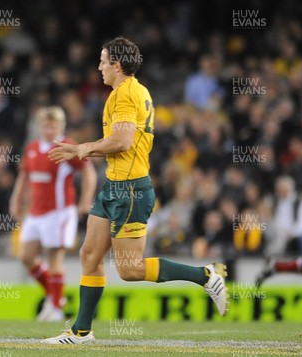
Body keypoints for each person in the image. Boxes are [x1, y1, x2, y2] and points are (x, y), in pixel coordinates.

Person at [43, 37, 228, 344]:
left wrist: (83, 148)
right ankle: (81, 331)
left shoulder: (126, 94)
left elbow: (124, 141)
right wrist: (85, 149)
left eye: (103, 61)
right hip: (114, 185)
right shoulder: (128, 92)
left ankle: (206, 276)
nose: (99, 66)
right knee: (90, 254)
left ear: (117, 64)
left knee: (130, 269)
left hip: (131, 190)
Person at [9, 106, 96, 321]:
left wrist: (85, 200)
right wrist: (16, 198)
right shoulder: (32, 148)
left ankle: (55, 309)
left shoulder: (67, 147)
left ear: (61, 126)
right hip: (36, 212)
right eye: (46, 125)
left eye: (54, 125)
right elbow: (25, 176)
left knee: (53, 257)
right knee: (26, 256)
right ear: (40, 126)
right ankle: (55, 296)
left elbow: (88, 171)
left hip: (60, 212)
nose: (49, 129)